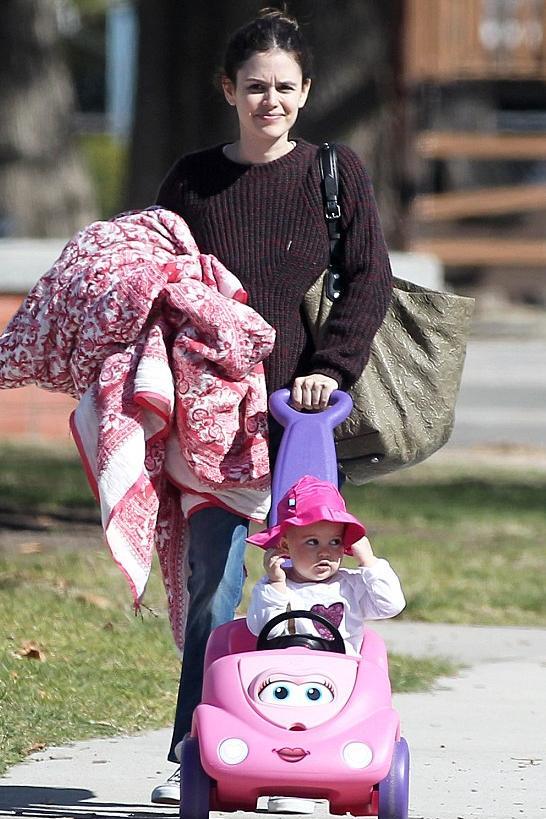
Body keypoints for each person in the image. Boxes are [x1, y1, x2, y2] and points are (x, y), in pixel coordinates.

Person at [150, 6, 394, 806]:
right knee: (217, 591)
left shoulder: (336, 172)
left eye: (285, 87)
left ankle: (309, 746)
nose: (271, 101)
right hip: (218, 417)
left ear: (307, 90)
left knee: (319, 589)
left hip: (306, 423)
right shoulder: (191, 179)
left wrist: (330, 367)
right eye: (255, 86)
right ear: (229, 89)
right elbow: (160, 281)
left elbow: (369, 280)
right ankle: (202, 745)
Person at [246, 475, 405, 655]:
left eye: (335, 541)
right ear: (285, 546)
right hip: (289, 671)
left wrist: (369, 562)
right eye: (313, 542)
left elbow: (391, 606)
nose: (325, 552)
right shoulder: (275, 587)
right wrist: (276, 584)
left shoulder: (352, 585)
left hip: (343, 673)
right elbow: (265, 630)